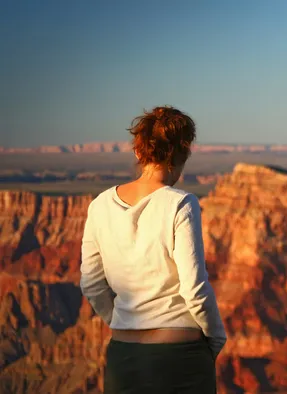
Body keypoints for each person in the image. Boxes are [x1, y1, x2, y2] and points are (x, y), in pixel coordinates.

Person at [80, 106, 227, 393]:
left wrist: (124, 321)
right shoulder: (180, 203)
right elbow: (194, 288)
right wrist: (215, 339)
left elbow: (92, 283)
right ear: (182, 154)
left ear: (138, 152)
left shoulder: (99, 205)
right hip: (178, 356)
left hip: (123, 355)